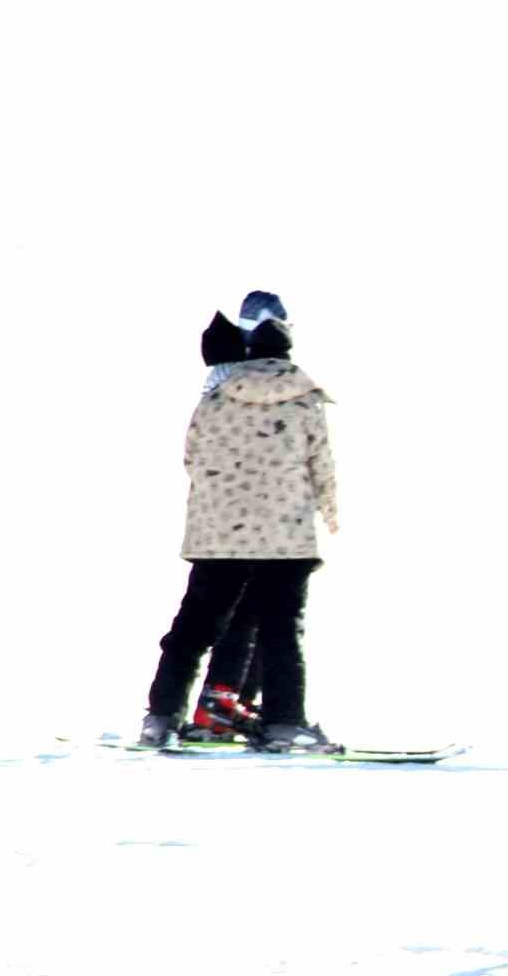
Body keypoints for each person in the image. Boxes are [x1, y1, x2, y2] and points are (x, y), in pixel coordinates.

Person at [141, 317, 342, 752]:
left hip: (219, 535)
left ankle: (160, 718)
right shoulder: (304, 402)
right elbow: (321, 464)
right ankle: (285, 725)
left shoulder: (214, 401)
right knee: (281, 632)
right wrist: (329, 513)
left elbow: (192, 457)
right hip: (285, 537)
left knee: (192, 629)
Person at [181, 293, 294, 741]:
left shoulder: (228, 368)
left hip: (227, 517)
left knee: (245, 615)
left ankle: (229, 703)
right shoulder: (242, 374)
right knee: (246, 614)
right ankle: (222, 704)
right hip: (250, 520)